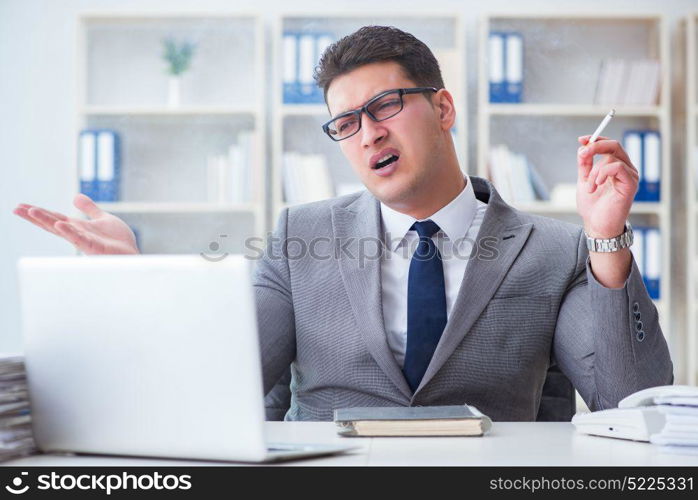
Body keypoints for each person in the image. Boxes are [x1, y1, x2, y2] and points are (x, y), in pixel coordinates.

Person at [13, 26, 672, 421]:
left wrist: (608, 242)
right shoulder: (300, 235)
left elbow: (632, 402)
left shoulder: (552, 248)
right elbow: (221, 379)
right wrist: (141, 281)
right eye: (346, 123)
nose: (367, 134)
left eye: (385, 105)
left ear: (442, 106)